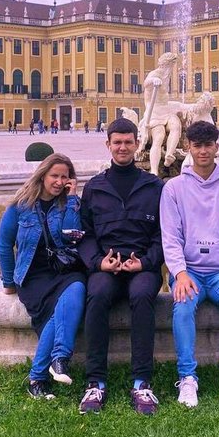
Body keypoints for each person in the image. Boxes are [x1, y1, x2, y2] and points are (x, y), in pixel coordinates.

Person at [160, 120, 219, 407]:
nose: (202, 151)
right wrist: (180, 273)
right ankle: (188, 378)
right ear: (188, 147)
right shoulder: (173, 189)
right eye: (197, 146)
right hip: (190, 272)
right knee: (183, 304)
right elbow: (170, 237)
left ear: (216, 147)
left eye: (208, 145)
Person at [77, 117, 164, 415]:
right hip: (106, 266)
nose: (123, 147)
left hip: (142, 267)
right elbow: (85, 234)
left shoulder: (154, 186)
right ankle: (95, 383)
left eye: (128, 142)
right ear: (108, 145)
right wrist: (98, 262)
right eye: (117, 142)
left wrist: (146, 262)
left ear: (137, 145)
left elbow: (164, 235)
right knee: (97, 294)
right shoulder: (95, 187)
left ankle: (142, 383)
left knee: (142, 296)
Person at [0, 153, 86, 399]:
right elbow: (4, 244)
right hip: (32, 275)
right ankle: (39, 376)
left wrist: (70, 200)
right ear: (43, 175)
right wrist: (8, 282)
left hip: (63, 270)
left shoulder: (69, 203)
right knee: (54, 315)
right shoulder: (20, 206)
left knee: (78, 287)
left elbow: (71, 235)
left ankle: (57, 360)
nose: (58, 182)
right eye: (54, 176)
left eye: (64, 177)